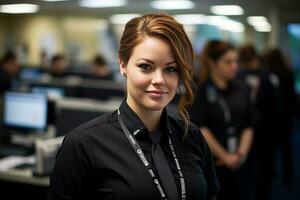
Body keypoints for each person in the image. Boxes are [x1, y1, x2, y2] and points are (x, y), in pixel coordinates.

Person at [48, 13, 219, 200]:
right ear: (122, 64)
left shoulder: (191, 136)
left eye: (171, 69)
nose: (159, 80)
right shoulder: (83, 144)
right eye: (146, 66)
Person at [189, 40, 254, 200]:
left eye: (236, 61)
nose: (234, 66)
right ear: (212, 63)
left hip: (240, 161)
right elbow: (201, 127)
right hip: (213, 163)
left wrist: (240, 155)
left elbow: (248, 124)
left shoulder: (242, 88)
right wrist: (225, 157)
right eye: (228, 62)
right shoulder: (201, 91)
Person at [238, 44, 279, 200]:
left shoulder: (268, 77)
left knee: (263, 170)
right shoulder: (237, 76)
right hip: (247, 130)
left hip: (264, 130)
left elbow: (275, 107)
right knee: (246, 169)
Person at [263, 48, 297, 186]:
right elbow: (292, 96)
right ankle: (288, 175)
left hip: (271, 118)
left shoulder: (267, 74)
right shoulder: (287, 72)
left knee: (271, 148)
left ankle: (270, 174)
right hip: (285, 117)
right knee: (286, 148)